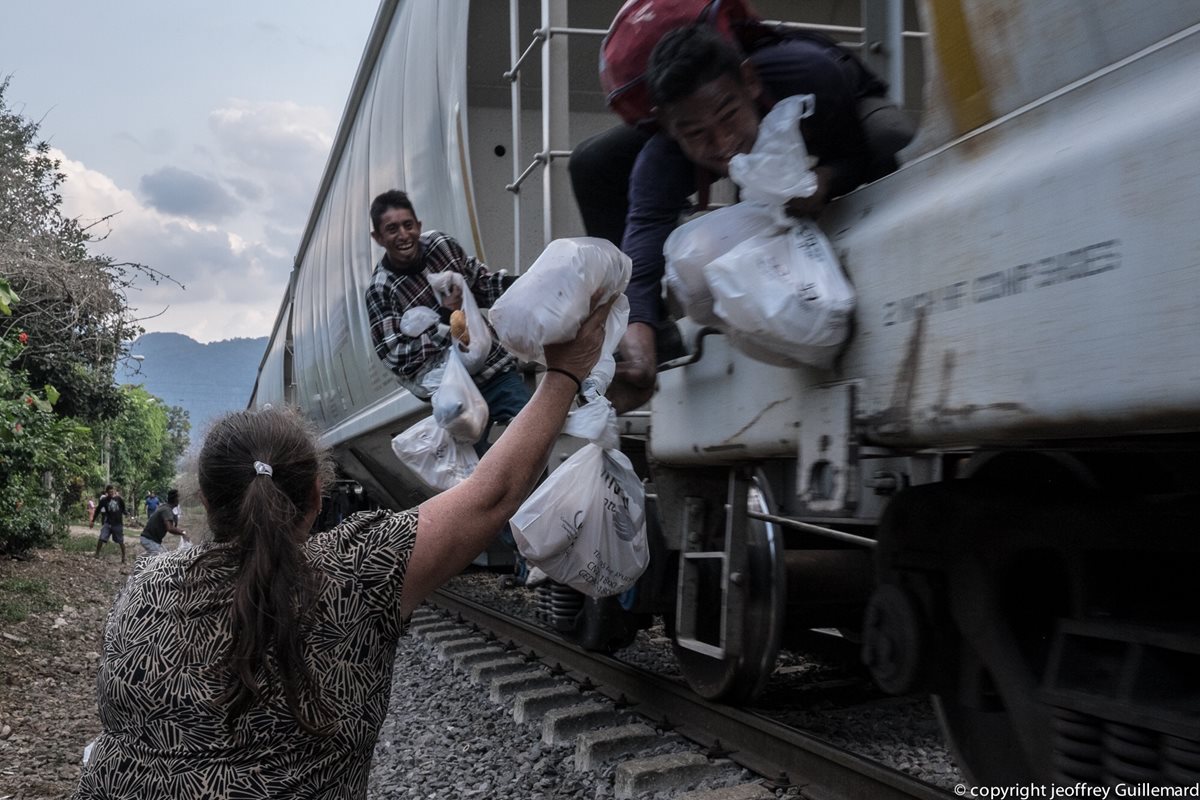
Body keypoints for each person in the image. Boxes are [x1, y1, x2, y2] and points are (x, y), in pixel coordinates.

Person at [71, 295, 613, 799]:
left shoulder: (147, 589)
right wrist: (565, 371)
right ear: (314, 496)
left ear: (208, 506)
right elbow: (489, 496)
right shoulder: (356, 575)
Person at [570, 24, 912, 412]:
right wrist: (638, 332)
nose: (723, 143)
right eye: (697, 133)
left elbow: (855, 155)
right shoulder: (662, 157)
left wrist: (826, 181)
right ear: (668, 127)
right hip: (735, 142)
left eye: (728, 117)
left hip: (841, 114)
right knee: (593, 164)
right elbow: (644, 243)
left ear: (749, 81)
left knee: (888, 135)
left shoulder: (813, 75)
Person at [364, 189, 530, 452]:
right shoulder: (381, 289)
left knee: (534, 440)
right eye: (392, 229)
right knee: (481, 475)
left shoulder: (442, 246)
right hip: (454, 397)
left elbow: (480, 284)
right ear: (378, 238)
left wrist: (524, 285)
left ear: (419, 225)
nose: (403, 235)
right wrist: (447, 321)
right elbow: (396, 356)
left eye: (408, 225)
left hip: (494, 370)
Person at [140, 489, 188, 556]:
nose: (180, 499)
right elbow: (170, 528)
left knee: (166, 554)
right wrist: (182, 532)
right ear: (175, 499)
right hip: (149, 539)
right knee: (162, 558)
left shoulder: (165, 507)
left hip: (152, 540)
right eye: (178, 497)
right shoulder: (166, 510)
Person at [92, 485, 127, 563]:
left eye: (112, 491)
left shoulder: (118, 499)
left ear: (114, 491)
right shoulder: (104, 500)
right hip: (108, 523)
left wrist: (125, 513)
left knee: (120, 541)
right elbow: (97, 510)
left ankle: (124, 557)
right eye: (110, 491)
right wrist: (93, 521)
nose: (111, 493)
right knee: (101, 538)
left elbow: (123, 507)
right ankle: (97, 554)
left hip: (117, 523)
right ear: (107, 492)